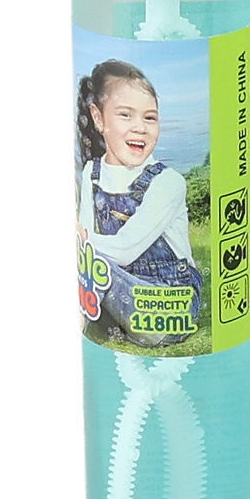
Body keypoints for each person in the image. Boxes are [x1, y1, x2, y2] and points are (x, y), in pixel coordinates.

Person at [76, 58, 202, 347]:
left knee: (96, 264)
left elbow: (123, 249)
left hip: (169, 304)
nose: (140, 128)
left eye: (150, 118)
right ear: (98, 118)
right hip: (115, 290)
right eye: (125, 115)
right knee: (89, 265)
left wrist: (79, 239)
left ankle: (94, 323)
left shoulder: (168, 182)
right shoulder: (92, 173)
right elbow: (85, 243)